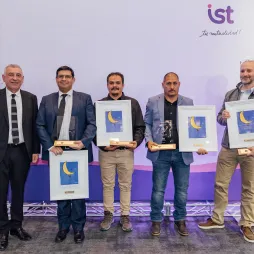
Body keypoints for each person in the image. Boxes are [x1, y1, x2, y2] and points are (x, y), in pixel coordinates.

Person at [36, 66, 96, 244]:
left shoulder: (84, 98)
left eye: (67, 77)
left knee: (77, 194)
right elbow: (40, 125)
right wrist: (49, 146)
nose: (64, 79)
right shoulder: (47, 100)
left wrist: (83, 142)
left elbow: (92, 124)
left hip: (77, 152)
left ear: (73, 79)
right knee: (61, 193)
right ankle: (63, 227)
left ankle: (78, 228)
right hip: (57, 153)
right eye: (60, 77)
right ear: (56, 79)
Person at [144, 72, 207, 237]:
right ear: (162, 84)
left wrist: (200, 144)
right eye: (168, 83)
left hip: (182, 153)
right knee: (158, 190)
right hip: (160, 153)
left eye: (174, 83)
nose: (171, 87)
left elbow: (195, 125)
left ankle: (180, 220)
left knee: (182, 190)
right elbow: (147, 124)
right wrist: (149, 140)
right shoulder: (152, 101)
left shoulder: (188, 102)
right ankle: (156, 221)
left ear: (179, 84)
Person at [198, 60, 254, 243]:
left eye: (249, 71)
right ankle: (217, 219)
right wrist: (223, 116)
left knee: (249, 188)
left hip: (251, 149)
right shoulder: (231, 94)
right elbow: (220, 120)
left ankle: (247, 224)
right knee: (220, 184)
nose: (245, 74)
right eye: (242, 70)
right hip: (229, 146)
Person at [96, 72, 145, 232]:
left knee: (125, 185)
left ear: (123, 85)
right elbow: (93, 129)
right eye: (111, 83)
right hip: (106, 153)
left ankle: (125, 215)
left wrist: (135, 142)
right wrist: (102, 145)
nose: (114, 85)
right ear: (107, 85)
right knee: (107, 185)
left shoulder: (132, 103)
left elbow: (140, 127)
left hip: (126, 152)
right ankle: (108, 214)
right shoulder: (100, 104)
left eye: (117, 82)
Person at [0, 64, 40, 251]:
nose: (14, 78)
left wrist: (35, 150)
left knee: (18, 191)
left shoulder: (31, 98)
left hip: (22, 151)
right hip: (1, 152)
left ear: (22, 78)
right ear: (4, 77)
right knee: (0, 193)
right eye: (11, 75)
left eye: (18, 75)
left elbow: (34, 127)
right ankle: (2, 229)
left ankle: (16, 226)